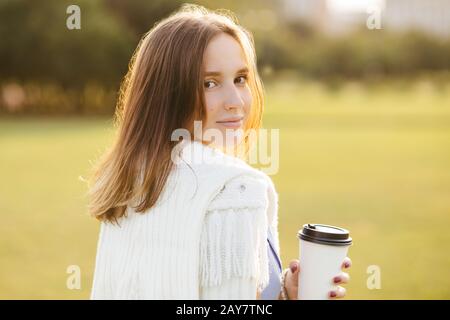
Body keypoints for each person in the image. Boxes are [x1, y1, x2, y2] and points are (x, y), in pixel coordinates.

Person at [88, 4, 351, 300]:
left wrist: (282, 295)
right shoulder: (234, 189)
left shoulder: (128, 179)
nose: (235, 101)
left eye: (240, 79)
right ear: (167, 93)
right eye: (209, 83)